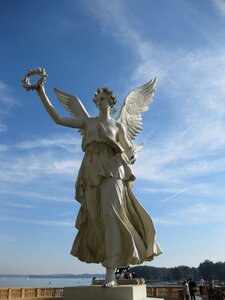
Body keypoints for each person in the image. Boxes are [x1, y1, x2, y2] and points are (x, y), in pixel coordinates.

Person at [33, 80, 162, 287]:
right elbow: (57, 119)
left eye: (104, 98)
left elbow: (129, 150)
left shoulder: (118, 125)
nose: (100, 101)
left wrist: (131, 156)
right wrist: (41, 93)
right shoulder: (88, 122)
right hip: (90, 170)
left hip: (112, 170)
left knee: (111, 216)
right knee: (96, 219)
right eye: (98, 99)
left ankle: (111, 274)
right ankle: (107, 263)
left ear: (111, 102)